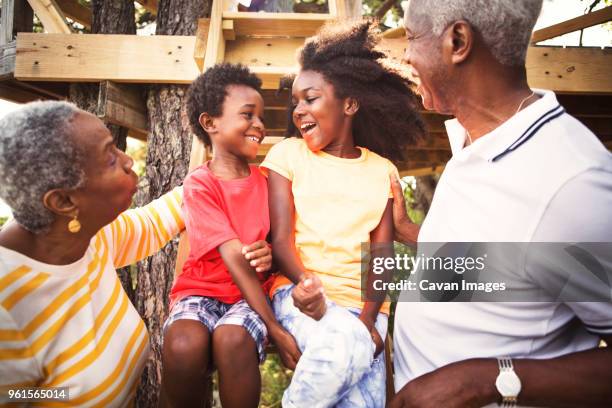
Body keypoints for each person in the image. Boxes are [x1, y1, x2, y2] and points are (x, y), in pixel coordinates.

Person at [390, 1, 612, 407]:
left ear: (457, 41)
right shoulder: (474, 140)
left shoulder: (571, 184)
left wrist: (487, 379)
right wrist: (412, 235)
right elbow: (516, 270)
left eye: (410, 37)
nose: (404, 54)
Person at [0, 101, 271, 406]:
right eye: (110, 159)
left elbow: (169, 212)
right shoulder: (8, 313)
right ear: (64, 201)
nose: (128, 160)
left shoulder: (88, 236)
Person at [261, 21, 424, 408]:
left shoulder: (381, 170)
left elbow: (382, 257)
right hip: (299, 296)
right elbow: (280, 241)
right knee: (338, 348)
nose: (299, 110)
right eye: (295, 102)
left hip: (366, 308)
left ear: (349, 104)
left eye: (311, 99)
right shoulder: (287, 155)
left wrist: (367, 322)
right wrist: (308, 286)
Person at [160, 63, 301, 408]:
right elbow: (233, 254)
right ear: (210, 123)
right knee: (183, 344)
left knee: (233, 338)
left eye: (261, 117)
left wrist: (268, 252)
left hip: (250, 296)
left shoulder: (269, 181)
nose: (259, 125)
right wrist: (276, 329)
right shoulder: (199, 183)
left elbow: (278, 239)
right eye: (247, 115)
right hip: (201, 291)